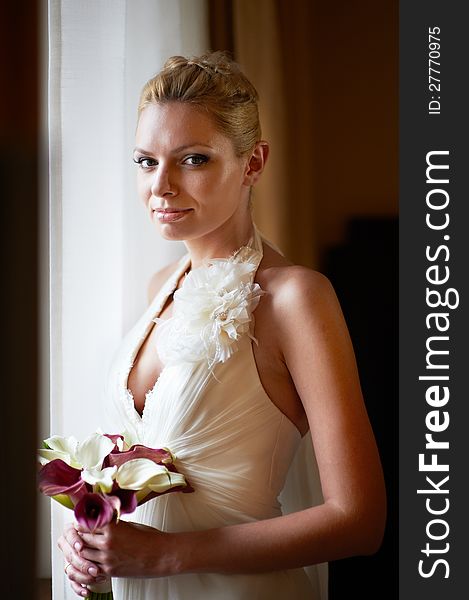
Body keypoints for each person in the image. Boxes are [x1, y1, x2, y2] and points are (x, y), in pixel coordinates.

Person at [58, 51, 386, 599]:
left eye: (193, 160)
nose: (160, 186)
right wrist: (95, 532)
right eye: (145, 161)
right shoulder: (159, 287)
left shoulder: (297, 299)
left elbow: (359, 520)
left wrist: (163, 555)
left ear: (253, 163)